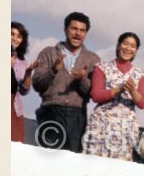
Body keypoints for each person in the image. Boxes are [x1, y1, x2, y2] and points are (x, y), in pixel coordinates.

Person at [31, 12, 100, 152]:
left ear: (86, 33)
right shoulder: (49, 53)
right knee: (49, 157)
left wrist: (82, 80)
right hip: (51, 112)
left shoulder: (93, 59)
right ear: (65, 29)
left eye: (82, 30)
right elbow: (37, 85)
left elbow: (93, 93)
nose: (77, 34)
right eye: (74, 28)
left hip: (77, 115)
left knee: (72, 160)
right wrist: (53, 71)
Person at [83, 32, 144, 160]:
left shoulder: (140, 74)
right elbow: (96, 95)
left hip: (125, 126)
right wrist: (119, 89)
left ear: (136, 51)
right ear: (118, 45)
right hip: (102, 123)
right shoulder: (102, 68)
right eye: (125, 43)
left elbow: (142, 103)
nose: (128, 48)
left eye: (133, 46)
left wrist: (132, 90)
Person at [10, 22, 33, 143]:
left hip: (14, 108)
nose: (15, 38)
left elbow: (24, 91)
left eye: (19, 36)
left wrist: (28, 73)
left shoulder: (22, 62)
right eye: (12, 34)